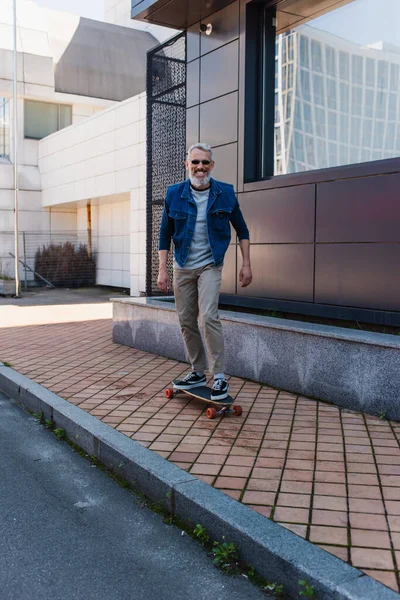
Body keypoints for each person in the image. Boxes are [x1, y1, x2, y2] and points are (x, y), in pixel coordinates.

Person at [157, 143, 252, 400]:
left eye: (205, 163)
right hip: (182, 266)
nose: (200, 167)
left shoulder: (225, 193)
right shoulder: (174, 193)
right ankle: (198, 371)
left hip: (210, 264)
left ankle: (219, 376)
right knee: (186, 321)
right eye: (195, 162)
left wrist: (246, 264)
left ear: (212, 165)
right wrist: (162, 270)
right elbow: (164, 233)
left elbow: (242, 231)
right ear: (187, 164)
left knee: (209, 316)